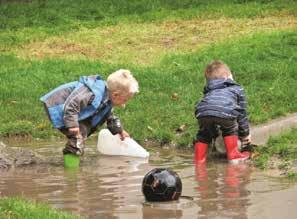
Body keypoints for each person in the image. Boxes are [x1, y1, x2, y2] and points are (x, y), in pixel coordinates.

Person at [40, 69, 139, 156]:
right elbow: (71, 105)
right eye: (125, 100)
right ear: (115, 95)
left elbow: (108, 115)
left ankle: (72, 162)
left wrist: (119, 130)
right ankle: (71, 172)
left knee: (81, 135)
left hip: (72, 112)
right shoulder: (92, 93)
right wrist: (73, 125)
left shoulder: (107, 99)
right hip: (58, 105)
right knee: (77, 141)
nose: (125, 104)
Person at [194, 61, 251, 164]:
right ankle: (234, 156)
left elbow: (212, 112)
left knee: (203, 132)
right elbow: (242, 114)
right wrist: (245, 134)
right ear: (227, 77)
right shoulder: (237, 89)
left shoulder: (208, 90)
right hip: (225, 112)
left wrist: (215, 134)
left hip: (202, 112)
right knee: (230, 128)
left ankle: (199, 159)